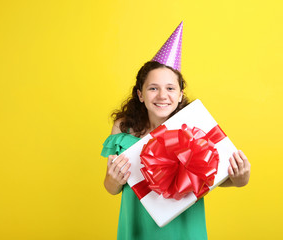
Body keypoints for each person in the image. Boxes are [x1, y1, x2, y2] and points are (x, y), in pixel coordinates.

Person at [101, 23, 251, 240]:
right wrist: (113, 180)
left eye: (170, 88)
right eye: (153, 88)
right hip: (137, 227)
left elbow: (216, 176)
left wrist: (241, 177)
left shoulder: (195, 129)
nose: (162, 95)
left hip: (185, 228)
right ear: (140, 94)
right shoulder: (125, 129)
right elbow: (111, 188)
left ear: (180, 94)